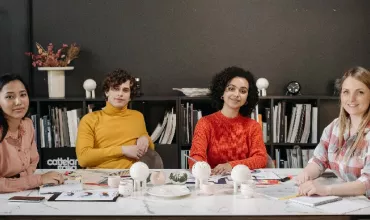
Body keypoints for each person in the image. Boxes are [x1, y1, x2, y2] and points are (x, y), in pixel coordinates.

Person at [296, 66, 370, 197]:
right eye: (346, 92)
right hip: (350, 201)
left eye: (360, 92)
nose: (351, 99)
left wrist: (326, 190)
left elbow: (367, 183)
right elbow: (319, 160)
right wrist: (306, 174)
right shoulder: (334, 127)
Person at [189, 66, 268, 175]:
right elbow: (195, 156)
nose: (236, 94)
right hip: (212, 182)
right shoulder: (205, 123)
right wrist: (202, 169)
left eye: (243, 91)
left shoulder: (253, 126)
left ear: (247, 99)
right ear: (222, 93)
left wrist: (231, 165)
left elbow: (261, 159)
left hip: (243, 182)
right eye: (231, 88)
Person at [76, 68, 155, 169]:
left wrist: (146, 139)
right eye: (115, 89)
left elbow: (150, 150)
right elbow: (83, 159)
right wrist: (123, 150)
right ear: (107, 92)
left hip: (132, 177)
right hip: (100, 178)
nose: (120, 94)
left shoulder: (137, 116)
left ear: (130, 96)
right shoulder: (89, 119)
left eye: (125, 90)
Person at [0, 74, 64, 193]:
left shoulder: (27, 124)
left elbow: (33, 160)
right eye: (9, 97)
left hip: (20, 192)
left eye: (23, 95)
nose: (19, 102)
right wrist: (37, 180)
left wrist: (22, 181)